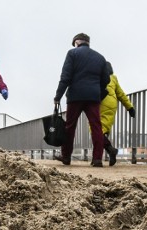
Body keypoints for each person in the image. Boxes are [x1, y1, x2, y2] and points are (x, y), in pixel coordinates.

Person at [54, 33, 110, 167]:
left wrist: (58, 96)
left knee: (70, 126)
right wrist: (98, 93)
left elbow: (65, 77)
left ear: (77, 42)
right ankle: (97, 159)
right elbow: (106, 80)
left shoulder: (72, 54)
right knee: (96, 126)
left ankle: (66, 156)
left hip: (75, 96)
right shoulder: (100, 58)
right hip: (93, 97)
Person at [95, 62, 136, 166]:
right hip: (112, 105)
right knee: (102, 132)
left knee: (95, 130)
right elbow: (121, 94)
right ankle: (101, 156)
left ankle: (110, 150)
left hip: (100, 103)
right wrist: (130, 107)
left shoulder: (97, 77)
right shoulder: (113, 78)